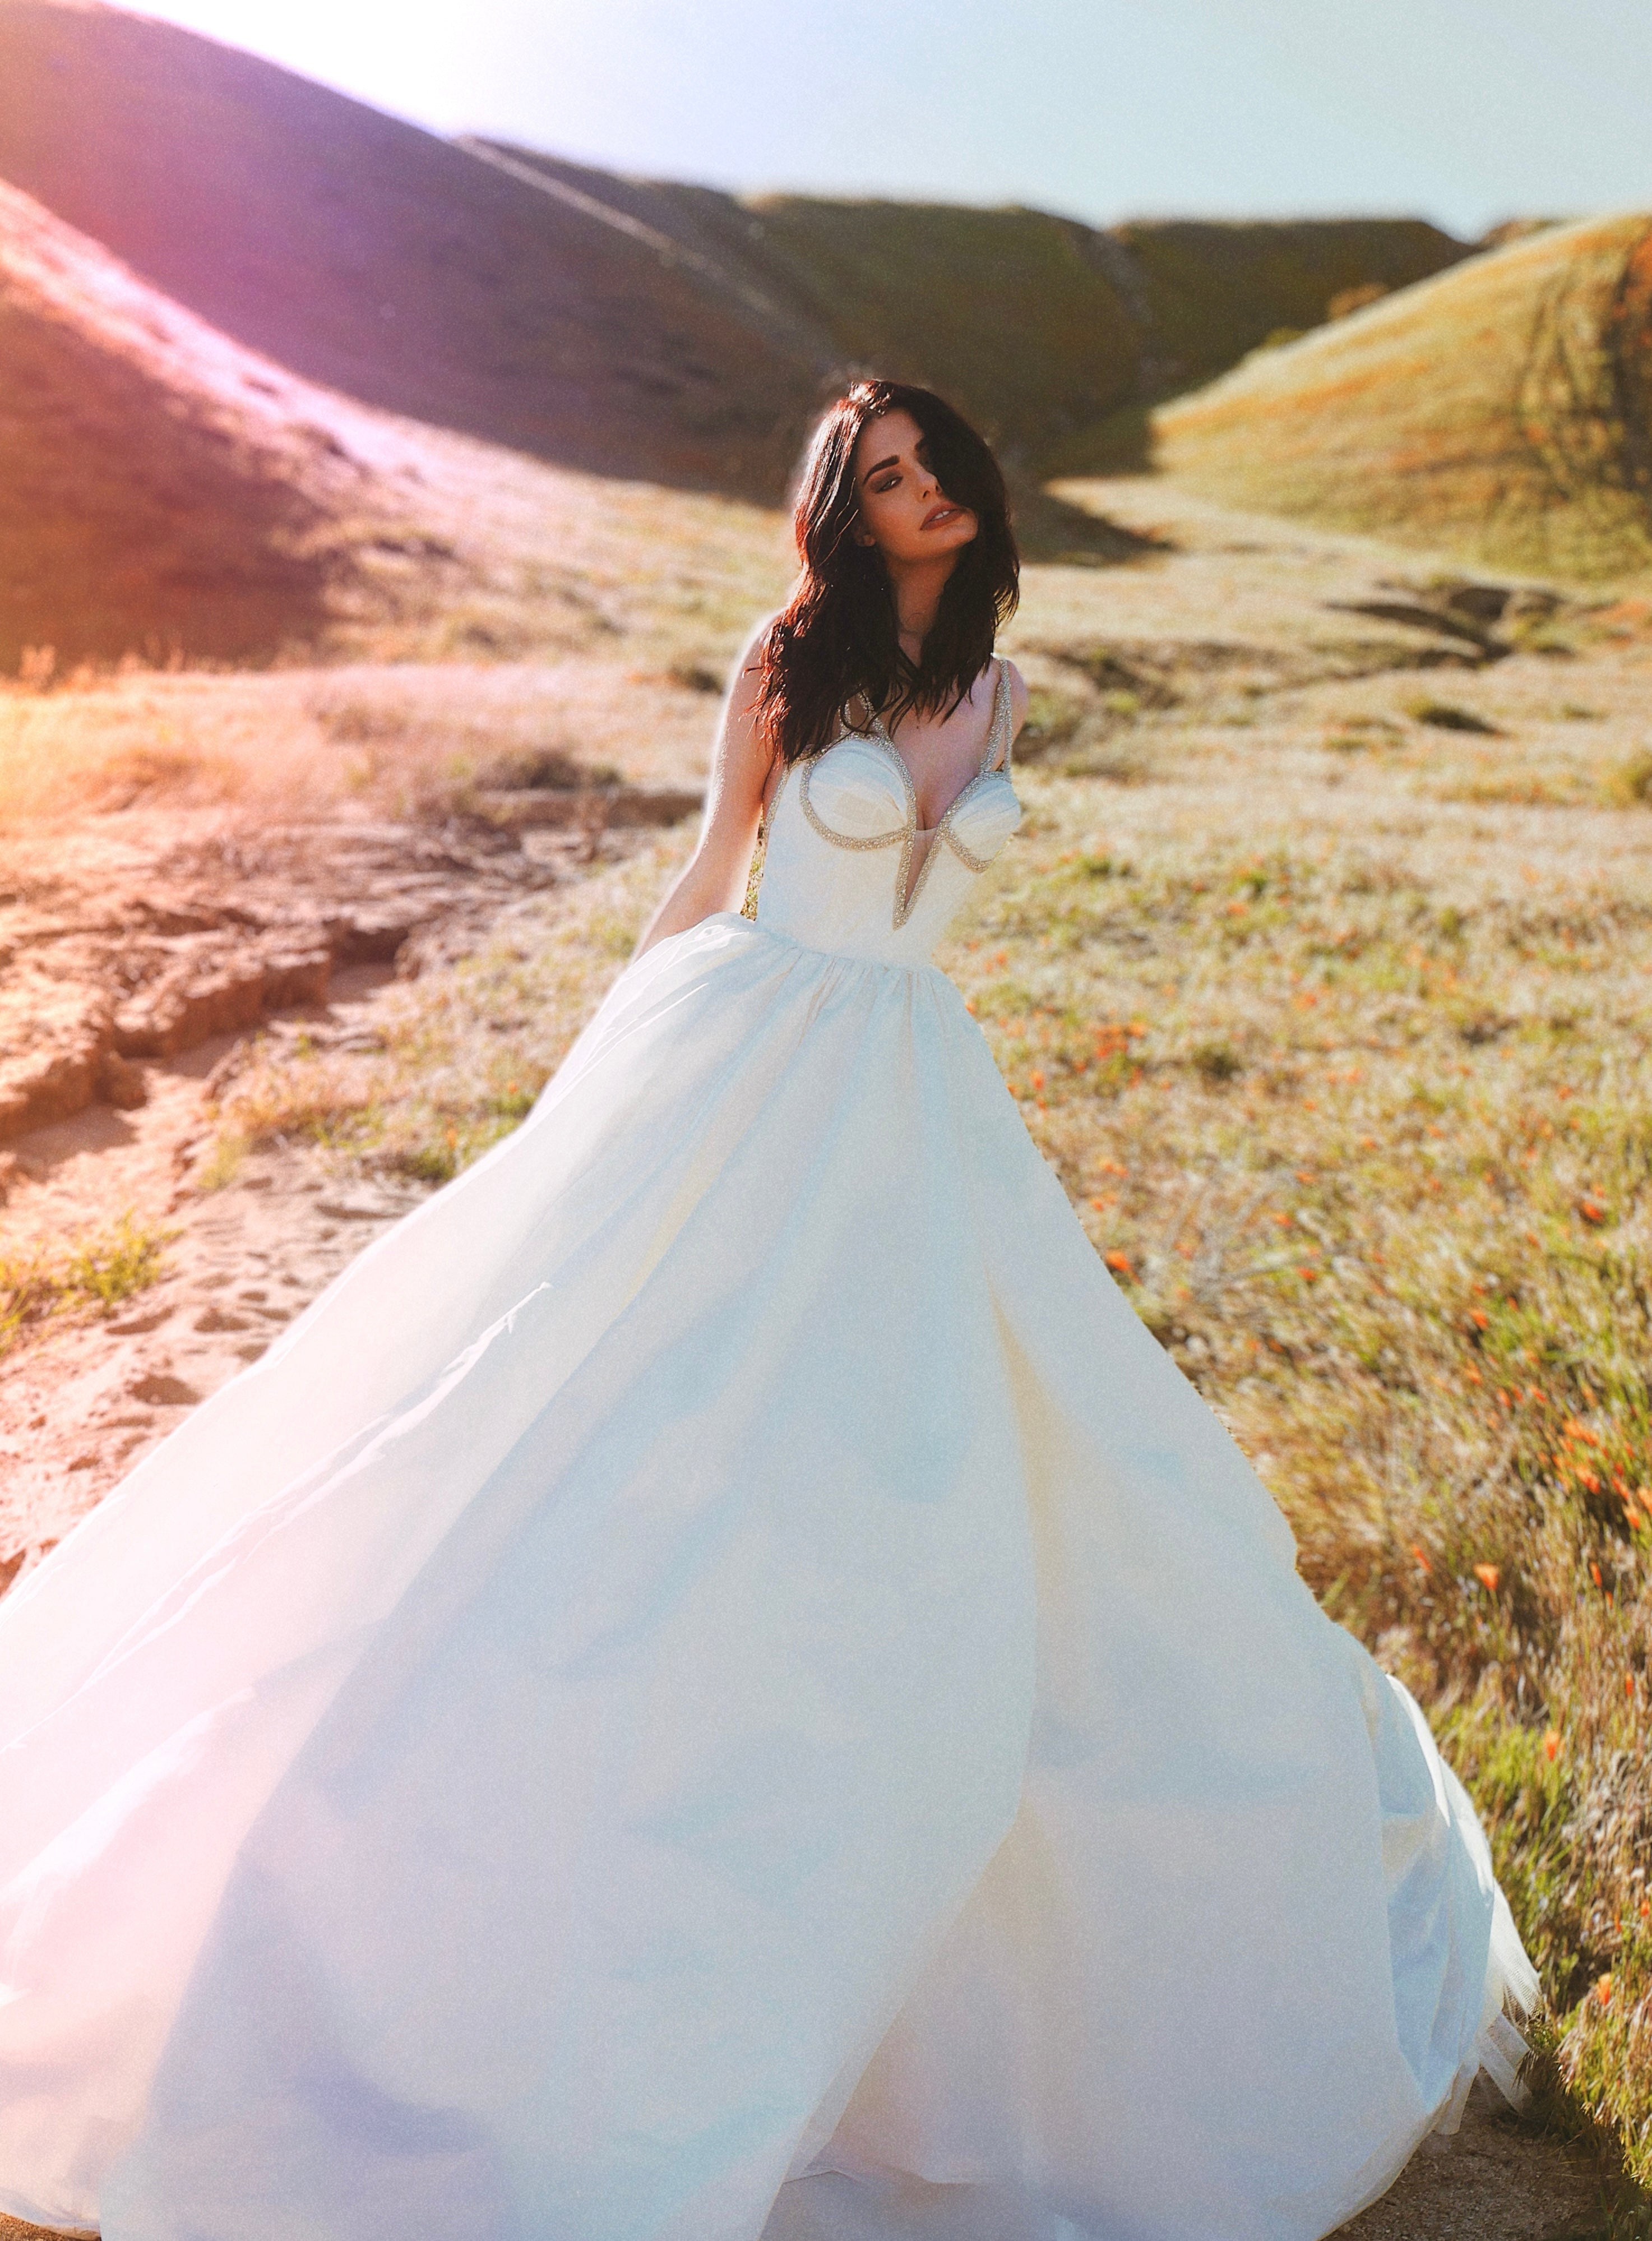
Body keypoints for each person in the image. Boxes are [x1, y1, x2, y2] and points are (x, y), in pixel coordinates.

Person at [0, 380, 1535, 2241]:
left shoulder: (1001, 684)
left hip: (909, 1086)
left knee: (990, 1463)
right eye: (880, 480)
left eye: (934, 467)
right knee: (631, 1434)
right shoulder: (787, 660)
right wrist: (592, 1106)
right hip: (745, 1051)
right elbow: (709, 873)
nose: (918, 497)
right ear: (841, 511)